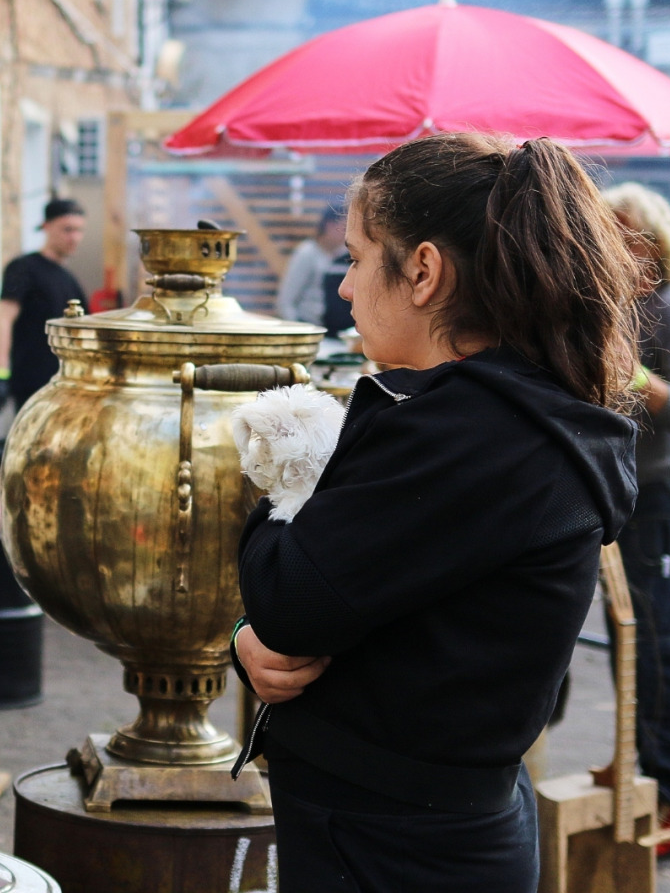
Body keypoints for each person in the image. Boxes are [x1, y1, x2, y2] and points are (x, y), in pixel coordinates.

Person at [230, 134, 640, 891]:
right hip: (424, 829)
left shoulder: (468, 435)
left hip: (396, 847)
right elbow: (359, 606)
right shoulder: (501, 414)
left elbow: (289, 601)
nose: (346, 288)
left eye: (356, 258)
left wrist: (284, 478)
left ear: (423, 270)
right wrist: (247, 638)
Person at [602, 183, 670, 858]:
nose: (610, 241)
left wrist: (633, 374)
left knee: (663, 652)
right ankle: (633, 772)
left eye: (622, 231)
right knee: (629, 647)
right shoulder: (621, 306)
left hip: (667, 503)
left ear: (654, 242)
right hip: (624, 497)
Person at [0, 199, 87, 413]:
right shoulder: (23, 268)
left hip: (65, 386)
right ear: (46, 227)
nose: (74, 237)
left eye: (79, 230)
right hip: (31, 386)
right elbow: (4, 319)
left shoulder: (70, 280)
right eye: (67, 229)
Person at [277, 202, 349, 331]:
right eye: (344, 229)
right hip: (310, 327)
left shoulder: (344, 255)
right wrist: (298, 331)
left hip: (337, 332)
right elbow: (286, 302)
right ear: (329, 226)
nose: (347, 235)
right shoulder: (306, 253)